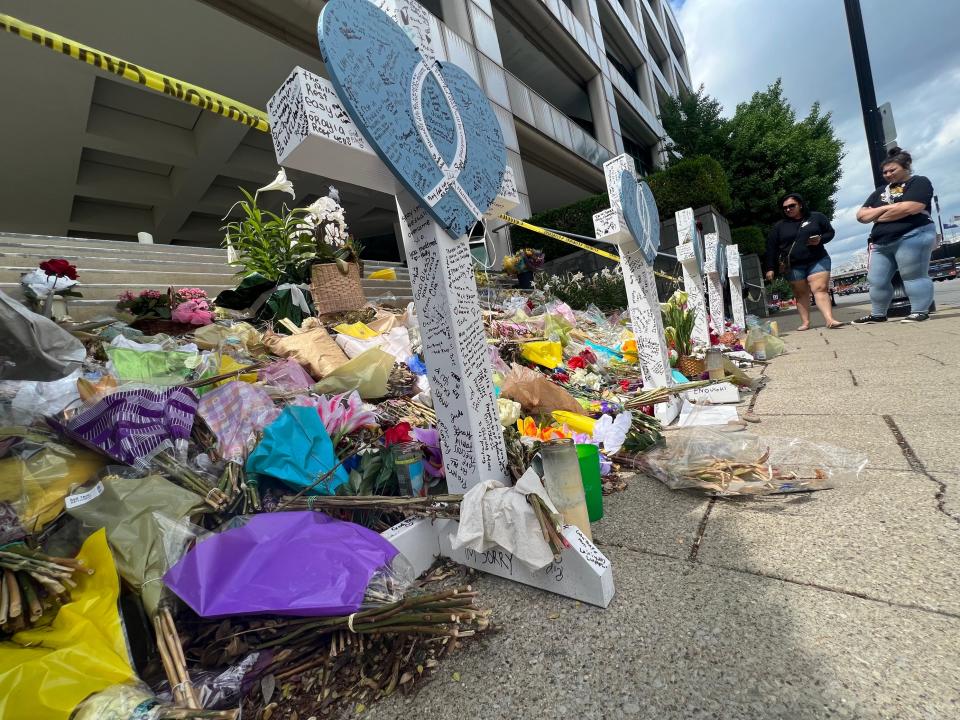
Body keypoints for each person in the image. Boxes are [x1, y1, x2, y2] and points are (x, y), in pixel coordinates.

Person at [852, 147, 936, 324]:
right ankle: (878, 314)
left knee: (913, 274)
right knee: (876, 280)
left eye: (892, 170)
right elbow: (861, 216)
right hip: (881, 243)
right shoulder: (880, 191)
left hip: (912, 235)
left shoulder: (919, 182)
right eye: (885, 172)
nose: (888, 174)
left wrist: (876, 215)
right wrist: (887, 208)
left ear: (906, 167)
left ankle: (920, 311)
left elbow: (911, 208)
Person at [765, 193, 842, 330]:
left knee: (820, 288)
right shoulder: (779, 226)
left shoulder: (816, 217)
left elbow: (830, 232)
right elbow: (771, 247)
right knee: (800, 293)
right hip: (793, 264)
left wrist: (820, 239)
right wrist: (770, 267)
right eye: (785, 208)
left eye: (791, 206)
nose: (788, 209)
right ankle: (805, 322)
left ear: (800, 204)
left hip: (817, 259)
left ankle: (829, 319)